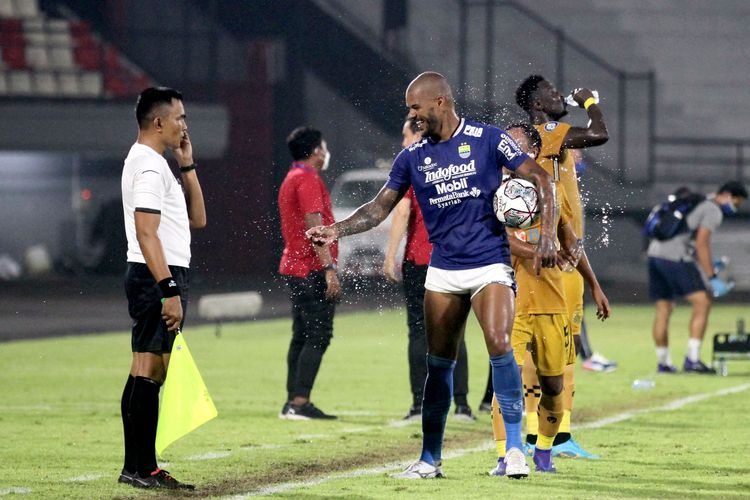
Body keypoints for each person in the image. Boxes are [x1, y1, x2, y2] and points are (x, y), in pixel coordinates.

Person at [307, 72, 557, 479]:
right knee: (438, 365)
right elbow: (378, 208)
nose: (411, 114)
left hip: (489, 261)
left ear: (439, 101)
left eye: (415, 106)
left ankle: (514, 451)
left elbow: (541, 179)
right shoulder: (412, 157)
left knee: (498, 343)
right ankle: (429, 459)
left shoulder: (488, 137)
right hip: (442, 270)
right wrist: (335, 230)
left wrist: (546, 234)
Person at [488, 123, 610, 476]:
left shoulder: (552, 191)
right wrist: (536, 250)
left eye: (519, 146)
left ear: (534, 152)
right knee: (505, 381)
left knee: (553, 383)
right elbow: (498, 239)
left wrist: (594, 285)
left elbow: (571, 243)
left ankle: (543, 451)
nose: (512, 151)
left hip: (552, 301)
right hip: (509, 299)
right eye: (507, 145)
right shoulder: (494, 191)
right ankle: (505, 455)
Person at [515, 74, 608, 458]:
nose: (559, 95)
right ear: (538, 106)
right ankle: (548, 434)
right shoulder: (548, 132)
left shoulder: (546, 142)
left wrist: (593, 282)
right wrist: (588, 101)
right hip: (550, 261)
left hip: (563, 256)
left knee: (555, 352)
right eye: (551, 93)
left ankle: (547, 434)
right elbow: (600, 133)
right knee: (550, 352)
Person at [119, 87, 206, 490]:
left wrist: (187, 165)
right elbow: (146, 231)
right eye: (180, 117)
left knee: (145, 370)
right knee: (151, 371)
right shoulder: (150, 167)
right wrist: (168, 288)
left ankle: (137, 467)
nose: (184, 125)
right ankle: (142, 468)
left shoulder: (152, 162)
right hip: (157, 274)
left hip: (154, 273)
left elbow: (198, 220)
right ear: (159, 122)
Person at [383, 119, 475, 422]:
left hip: (421, 260)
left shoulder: (413, 165)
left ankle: (420, 404)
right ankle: (461, 404)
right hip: (455, 259)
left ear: (418, 134)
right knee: (455, 331)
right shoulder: (456, 163)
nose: (402, 143)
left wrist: (390, 256)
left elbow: (402, 211)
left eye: (404, 135)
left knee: (419, 331)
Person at [647, 181, 747, 372]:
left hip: (654, 255)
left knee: (663, 308)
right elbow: (702, 244)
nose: (735, 206)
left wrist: (708, 263)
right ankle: (692, 360)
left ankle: (664, 363)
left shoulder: (697, 201)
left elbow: (688, 240)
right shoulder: (713, 210)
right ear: (725, 194)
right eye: (736, 201)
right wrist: (712, 276)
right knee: (703, 302)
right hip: (674, 256)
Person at [278, 127, 341, 420]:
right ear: (316, 150)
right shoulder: (307, 179)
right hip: (310, 268)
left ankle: (293, 401)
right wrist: (329, 268)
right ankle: (299, 402)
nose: (326, 152)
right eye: (324, 146)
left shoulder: (293, 176)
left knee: (301, 336)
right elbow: (315, 226)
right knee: (318, 335)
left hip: (295, 266)